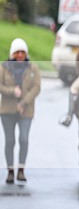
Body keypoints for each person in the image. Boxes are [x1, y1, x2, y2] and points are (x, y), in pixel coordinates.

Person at [0, 38, 41, 184]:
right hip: (7, 111)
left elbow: (36, 88)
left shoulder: (33, 68)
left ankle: (21, 169)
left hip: (26, 111)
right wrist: (12, 91)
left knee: (23, 139)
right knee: (9, 141)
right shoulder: (4, 67)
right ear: (12, 54)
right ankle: (10, 170)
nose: (19, 55)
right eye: (17, 52)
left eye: (22, 52)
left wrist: (23, 102)